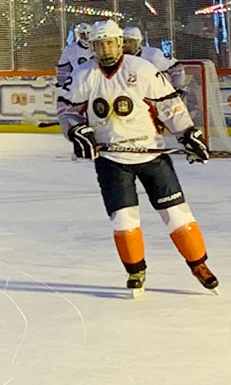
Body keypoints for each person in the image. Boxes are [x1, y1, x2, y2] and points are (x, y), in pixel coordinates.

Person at [59, 21, 217, 296]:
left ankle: (198, 264)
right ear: (93, 47)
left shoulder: (142, 69)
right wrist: (75, 131)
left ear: (119, 43)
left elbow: (169, 105)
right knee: (124, 220)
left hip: (151, 154)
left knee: (177, 214)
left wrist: (187, 134)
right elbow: (67, 110)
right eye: (100, 45)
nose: (106, 49)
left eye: (110, 43)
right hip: (111, 159)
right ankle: (135, 271)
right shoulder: (84, 74)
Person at [53, 23, 96, 157]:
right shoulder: (70, 49)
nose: (86, 37)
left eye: (88, 34)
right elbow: (63, 69)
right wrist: (64, 85)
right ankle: (80, 147)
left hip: (96, 86)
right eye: (83, 34)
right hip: (78, 88)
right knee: (79, 120)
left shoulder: (97, 46)